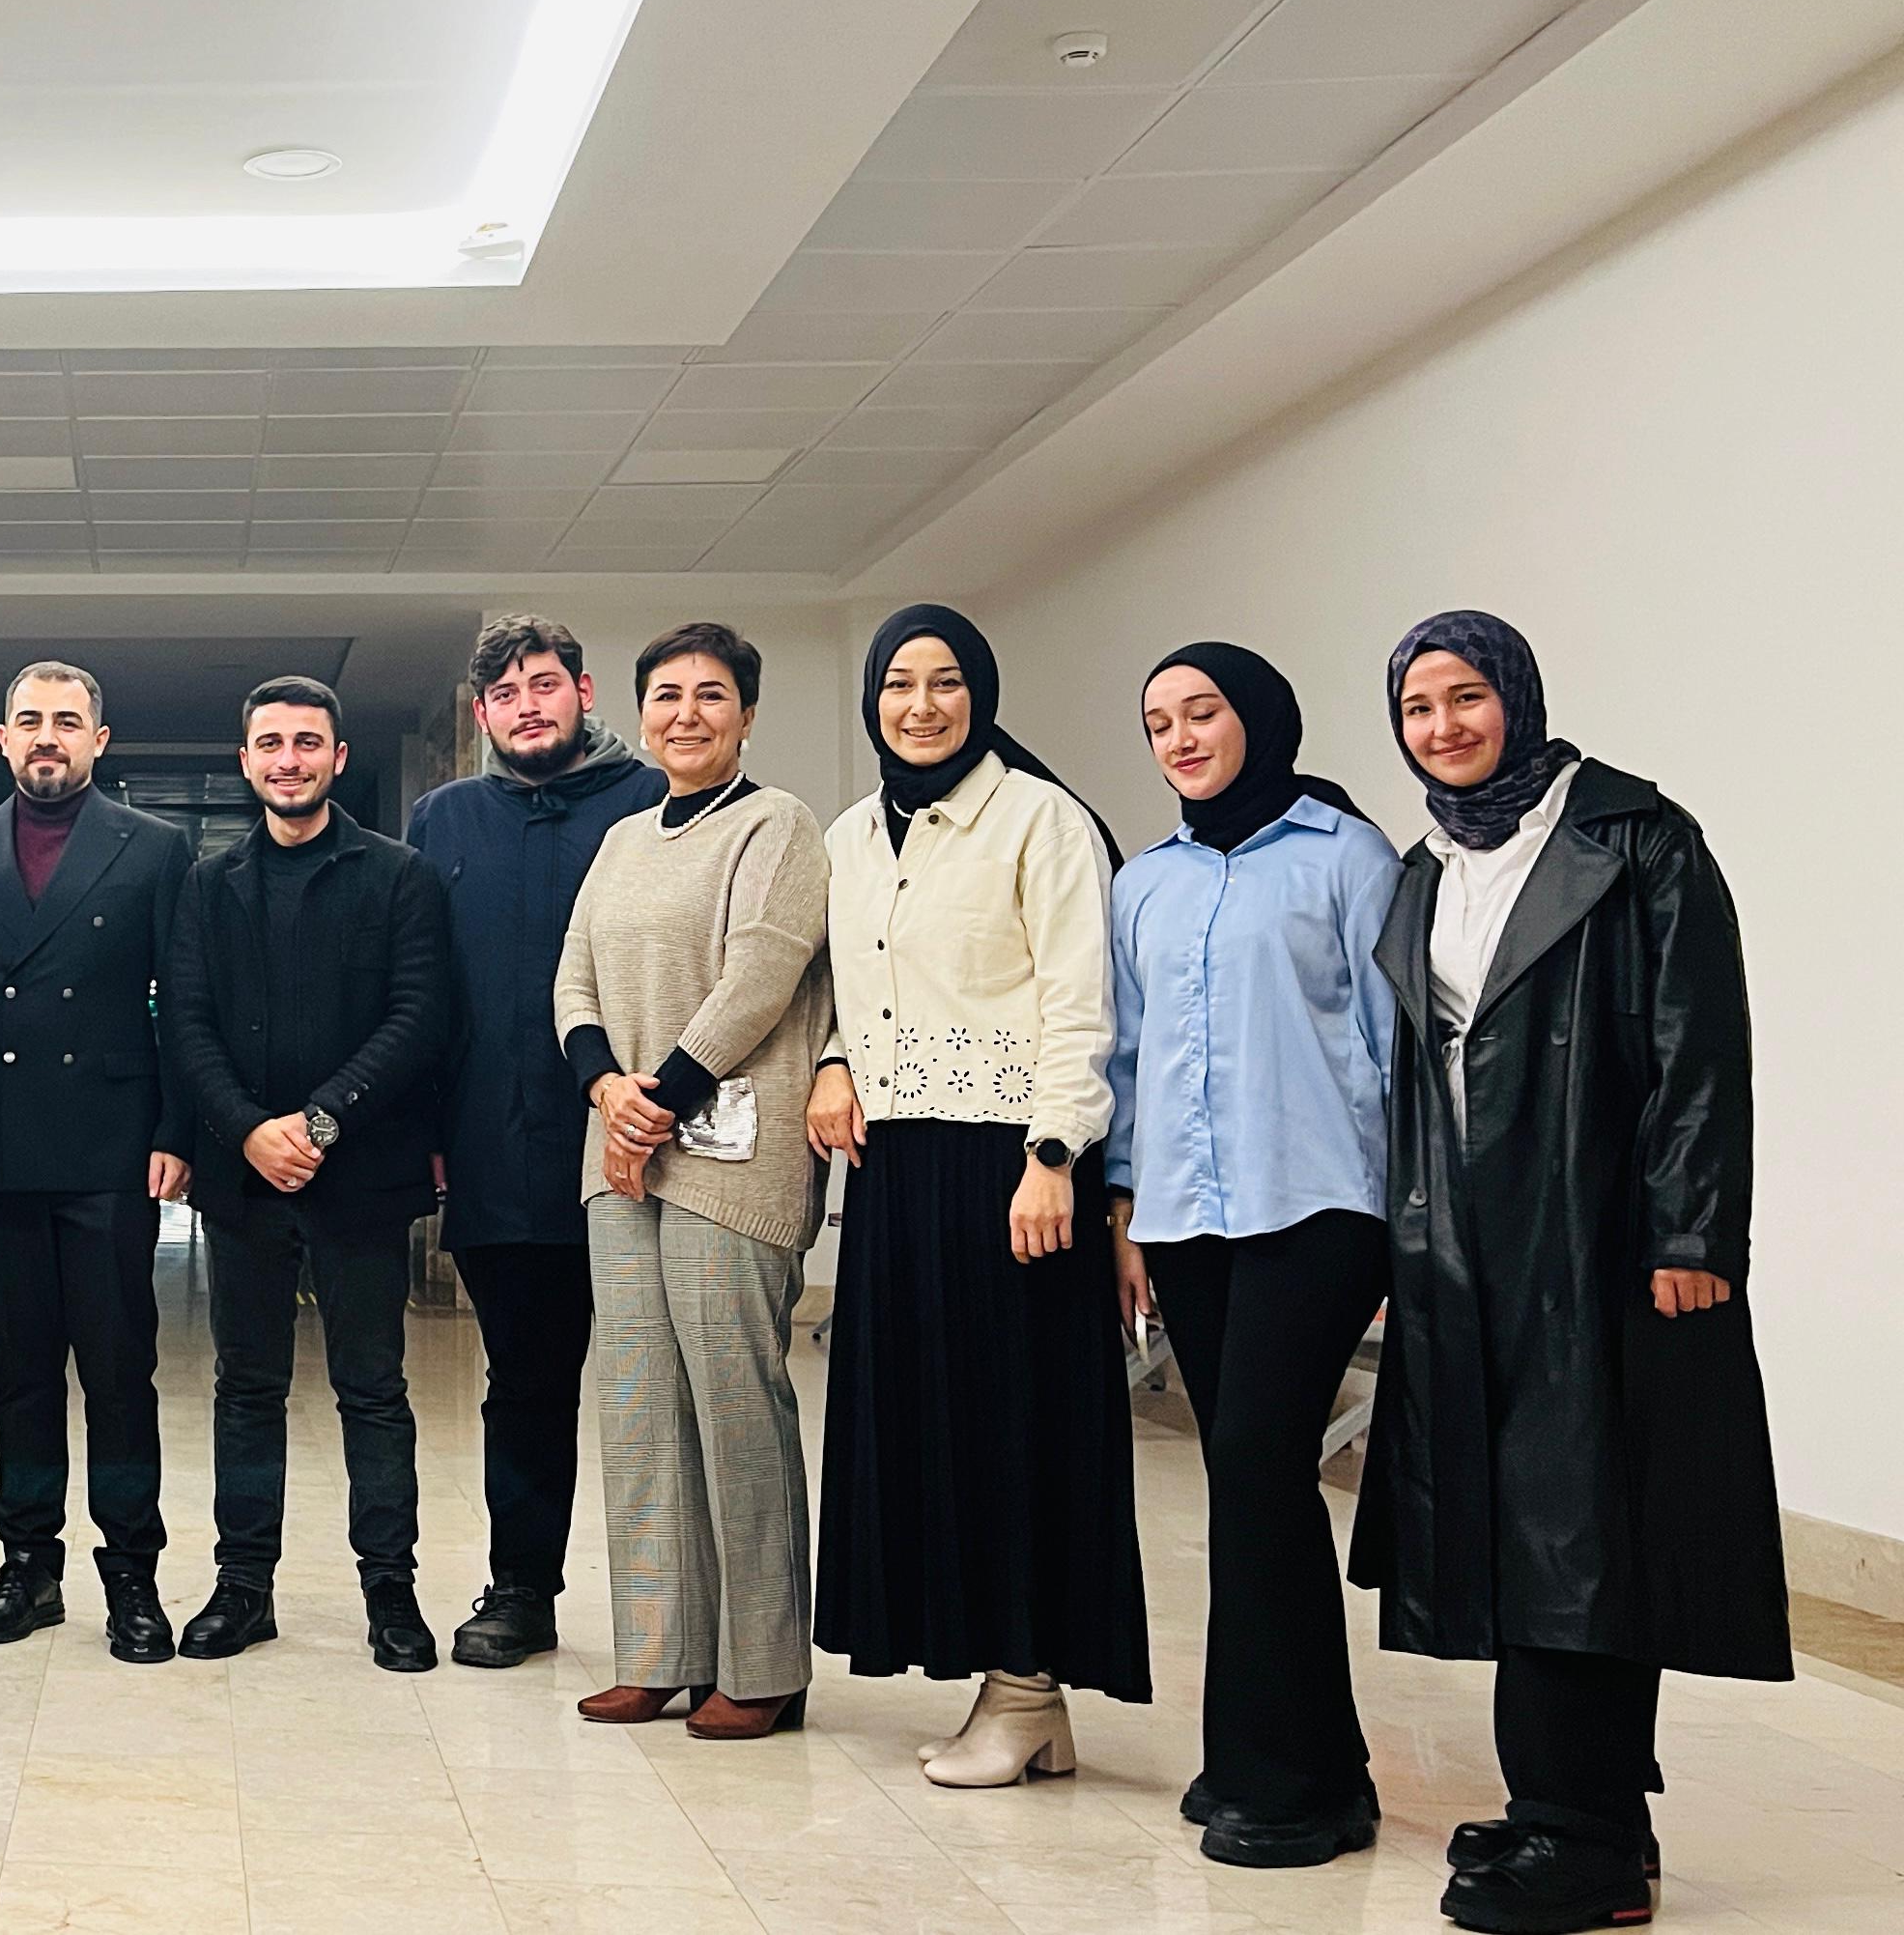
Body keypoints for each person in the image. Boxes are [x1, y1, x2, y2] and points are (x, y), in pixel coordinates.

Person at [1354, 612, 1782, 1935]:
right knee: (1516, 1535)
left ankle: (1577, 1831)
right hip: (1465, 1249)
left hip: (1597, 1241)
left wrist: (1692, 1235)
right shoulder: (1427, 866)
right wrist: (1409, 1238)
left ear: (1518, 697)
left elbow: (1699, 1046)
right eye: (1417, 708)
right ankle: (1583, 1813)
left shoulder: (1635, 837)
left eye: (1465, 698)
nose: (1444, 727)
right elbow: (1423, 1070)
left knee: (1582, 1537)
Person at [810, 604, 1149, 1785]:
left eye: (946, 681)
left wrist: (1055, 1156)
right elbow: (850, 984)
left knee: (1016, 1424)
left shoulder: (1042, 819)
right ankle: (1014, 1691)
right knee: (930, 1425)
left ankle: (1026, 1687)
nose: (921, 705)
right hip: (897, 1169)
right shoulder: (854, 834)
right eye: (899, 684)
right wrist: (834, 1062)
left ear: (982, 696)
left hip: (1013, 1167)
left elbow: (1082, 1001)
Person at [1102, 644, 1399, 1866]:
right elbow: (1129, 1056)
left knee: (1259, 1461)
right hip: (1187, 1219)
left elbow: (1396, 1042)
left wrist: (1412, 1223)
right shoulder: (1144, 883)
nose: (1180, 739)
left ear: (1261, 718)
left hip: (1319, 1206)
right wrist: (1126, 1208)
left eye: (1202, 712)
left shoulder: (1347, 858)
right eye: (1158, 722)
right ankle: (1299, 1760)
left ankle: (1284, 1784)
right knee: (1250, 1481)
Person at [552, 623, 830, 1738]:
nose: (687, 714)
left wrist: (655, 1097)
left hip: (731, 1156)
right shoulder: (621, 839)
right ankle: (659, 1651)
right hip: (619, 1155)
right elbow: (572, 977)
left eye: (712, 695)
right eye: (666, 695)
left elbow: (762, 973)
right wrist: (605, 1089)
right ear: (641, 713)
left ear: (747, 715)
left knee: (733, 1406)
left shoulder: (778, 825)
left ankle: (762, 1667)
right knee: (635, 1408)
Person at [159, 676, 453, 1672]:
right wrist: (248, 1130)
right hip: (244, 1180)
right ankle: (242, 1589)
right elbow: (185, 1021)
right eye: (272, 744)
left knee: (372, 1389)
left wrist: (319, 1121)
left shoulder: (399, 876)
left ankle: (392, 1594)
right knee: (247, 1388)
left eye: (308, 743)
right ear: (246, 761)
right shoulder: (209, 884)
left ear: (337, 758)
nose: (289, 759)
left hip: (361, 1174)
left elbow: (418, 1016)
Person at [405, 613, 664, 1668]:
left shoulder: (651, 799)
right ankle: (522, 1589)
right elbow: (420, 985)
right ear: (482, 714)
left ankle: (677, 1612)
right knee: (525, 1385)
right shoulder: (444, 819)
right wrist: (427, 1129)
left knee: (659, 1386)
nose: (528, 707)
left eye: (544, 684)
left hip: (642, 1141)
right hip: (494, 1150)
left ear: (583, 692)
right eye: (506, 694)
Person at [0, 662, 192, 1663]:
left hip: (112, 1150)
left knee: (120, 1375)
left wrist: (177, 1130)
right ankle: (28, 1567)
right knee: (22, 1376)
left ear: (99, 739)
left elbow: (186, 1001)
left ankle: (132, 1574)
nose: (49, 736)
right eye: (31, 720)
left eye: (68, 721)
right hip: (3, 1154)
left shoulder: (155, 848)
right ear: (3, 738)